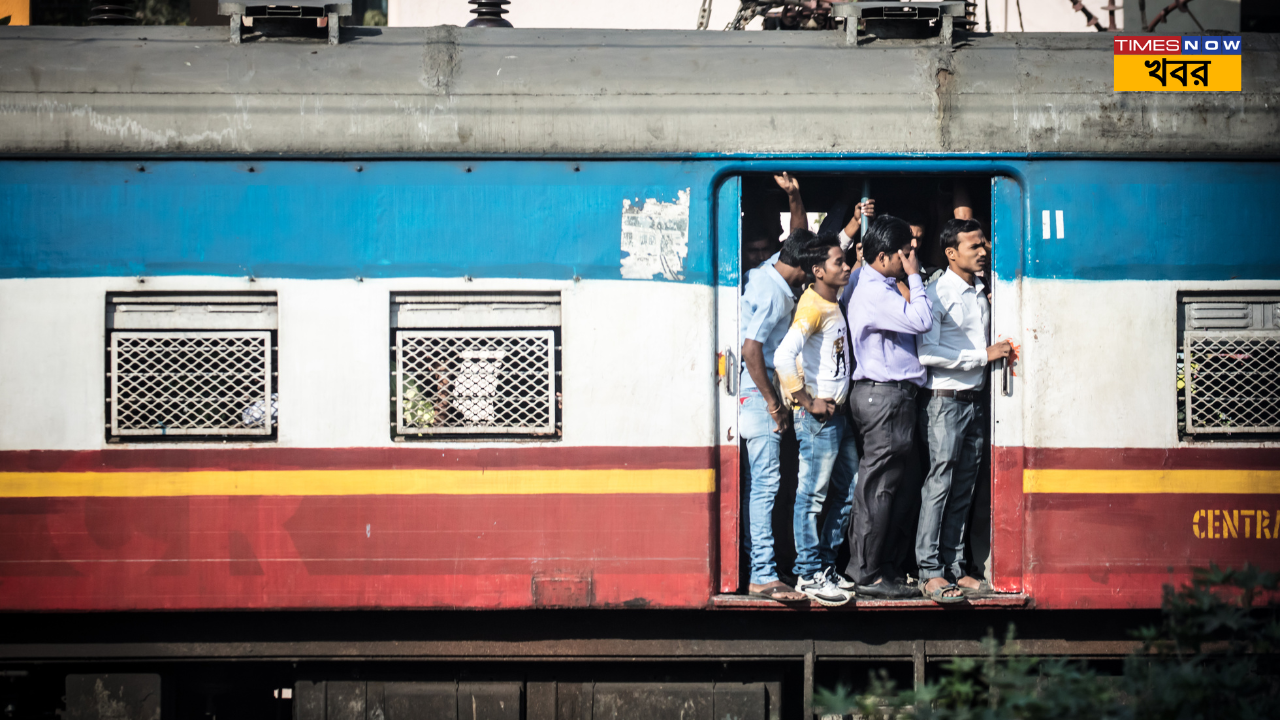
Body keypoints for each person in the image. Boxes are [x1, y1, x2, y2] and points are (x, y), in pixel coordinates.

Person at [914, 219, 1012, 603]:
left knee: (963, 487)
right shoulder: (938, 294)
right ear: (951, 253)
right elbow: (926, 353)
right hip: (945, 402)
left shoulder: (979, 290)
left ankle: (954, 568)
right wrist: (982, 356)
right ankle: (929, 571)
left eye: (983, 243)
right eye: (974, 246)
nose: (983, 251)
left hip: (972, 402)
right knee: (939, 485)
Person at [843, 215, 933, 600]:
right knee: (878, 489)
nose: (910, 258)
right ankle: (867, 574)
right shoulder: (876, 292)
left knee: (893, 486)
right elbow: (923, 319)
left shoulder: (867, 281)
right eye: (904, 254)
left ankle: (882, 566)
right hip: (886, 397)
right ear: (882, 257)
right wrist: (914, 277)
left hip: (883, 396)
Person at [773, 231, 859, 606]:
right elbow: (781, 356)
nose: (846, 266)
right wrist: (806, 401)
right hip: (819, 419)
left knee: (847, 489)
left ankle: (823, 565)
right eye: (839, 262)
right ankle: (808, 574)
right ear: (818, 271)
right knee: (812, 497)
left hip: (837, 416)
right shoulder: (812, 307)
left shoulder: (830, 301)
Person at [739, 230, 810, 602]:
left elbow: (796, 231)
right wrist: (772, 402)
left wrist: (794, 198)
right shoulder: (773, 293)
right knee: (766, 487)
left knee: (758, 486)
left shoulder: (769, 273)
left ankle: (760, 568)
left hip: (752, 393)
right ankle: (762, 574)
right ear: (799, 265)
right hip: (756, 393)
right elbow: (752, 350)